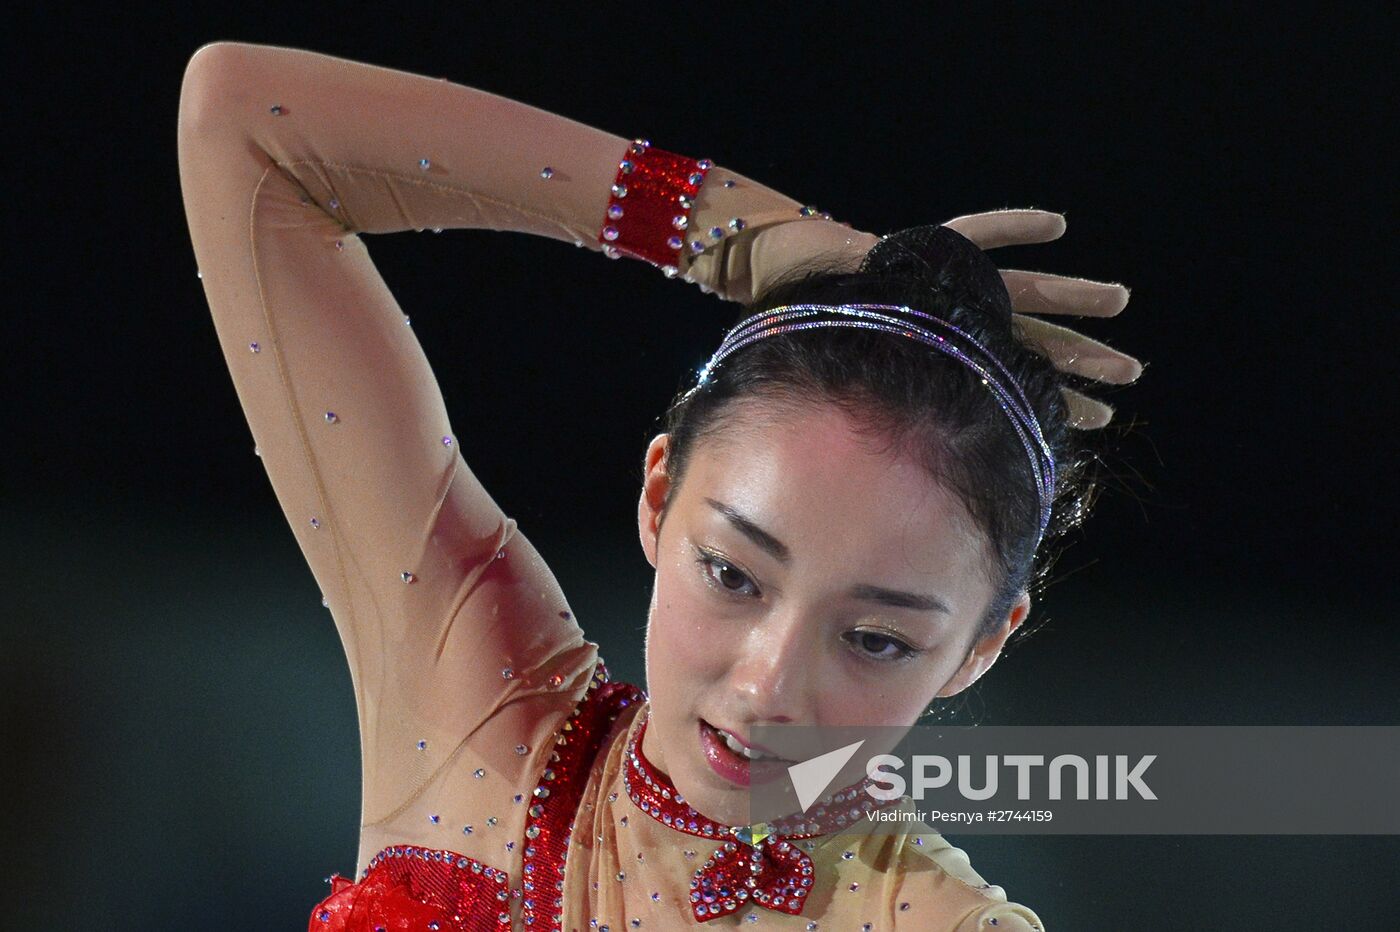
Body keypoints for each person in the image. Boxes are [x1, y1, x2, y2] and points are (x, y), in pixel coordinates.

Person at [177, 40, 1140, 932]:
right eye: (732, 573)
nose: (767, 688)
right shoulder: (476, 690)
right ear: (658, 493)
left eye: (876, 640)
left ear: (980, 647)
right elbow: (245, 126)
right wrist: (738, 235)